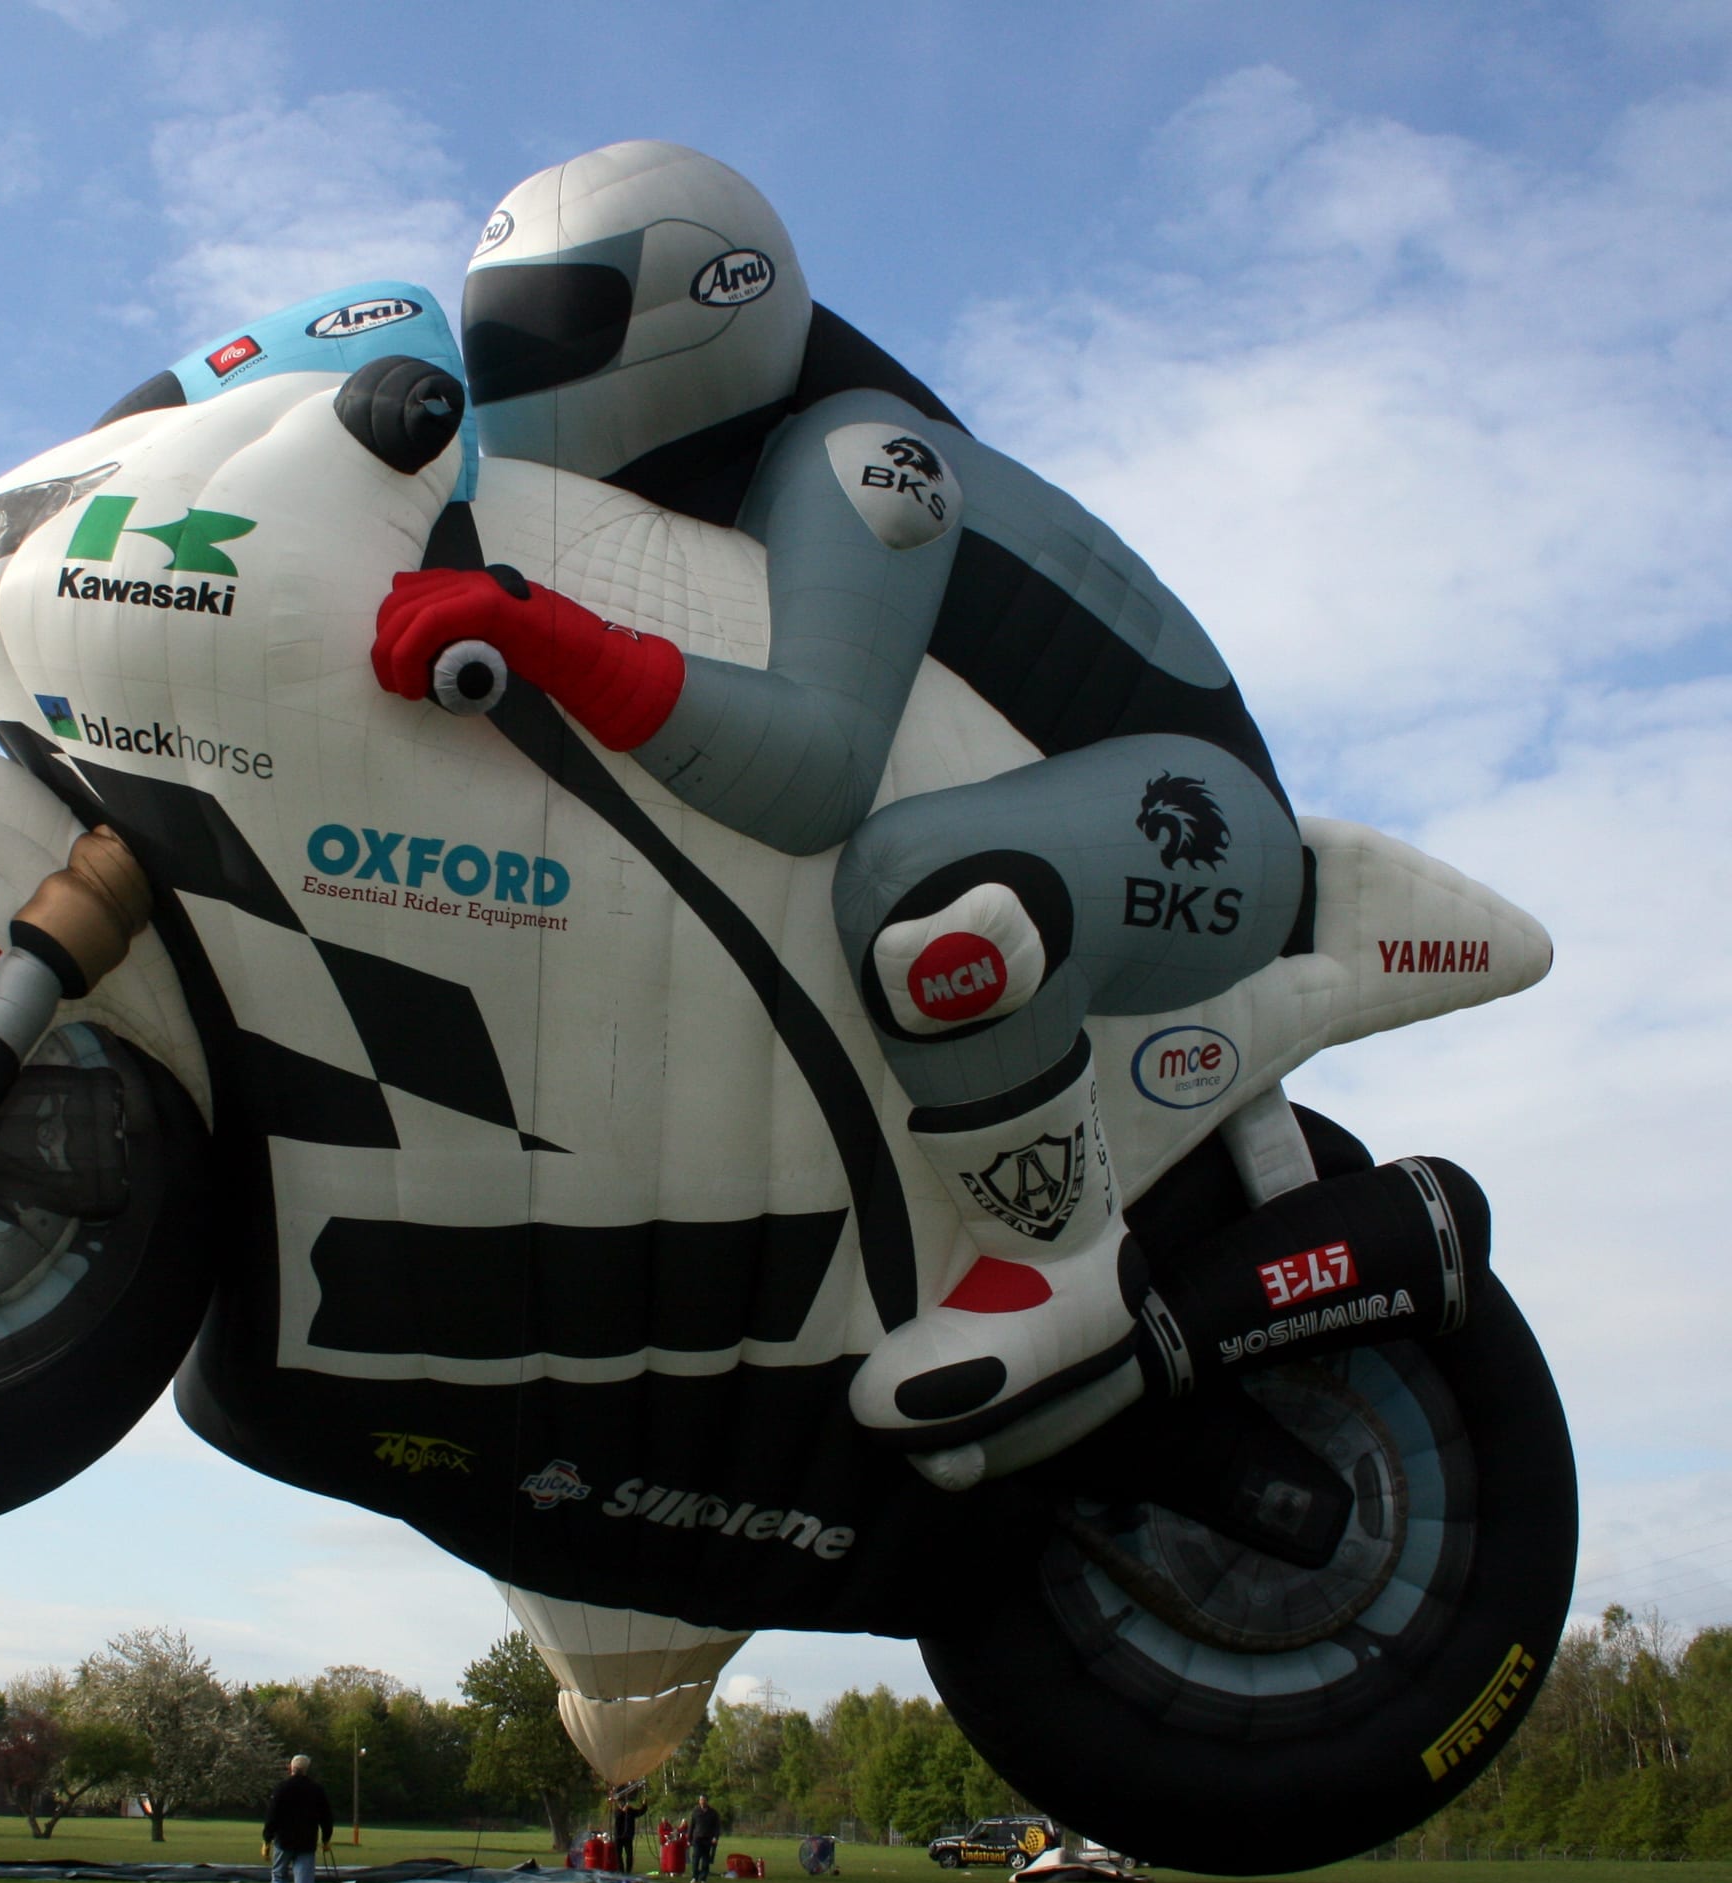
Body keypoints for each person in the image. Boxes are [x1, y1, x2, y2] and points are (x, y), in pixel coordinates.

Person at [373, 142, 1303, 1493]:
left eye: (551, 326)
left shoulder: (864, 453)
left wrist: (550, 636)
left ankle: (1064, 1257)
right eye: (493, 333)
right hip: (1055, 803)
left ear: (712, 298)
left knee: (928, 885)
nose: (512, 366)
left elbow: (817, 768)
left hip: (1201, 818)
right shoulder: (706, 488)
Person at [261, 1754, 334, 1883]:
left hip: (283, 1842)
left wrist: (267, 1839)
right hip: (307, 1843)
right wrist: (326, 1839)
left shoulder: (282, 1788)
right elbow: (326, 1817)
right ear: (307, 1769)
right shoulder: (316, 1790)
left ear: (290, 1768)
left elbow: (272, 1815)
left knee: (278, 1876)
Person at [608, 1777, 648, 1871]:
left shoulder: (630, 1811)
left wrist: (645, 1804)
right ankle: (621, 1870)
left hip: (627, 1835)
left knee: (629, 1855)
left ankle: (628, 1871)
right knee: (618, 1855)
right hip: (619, 1836)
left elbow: (640, 1812)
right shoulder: (617, 1812)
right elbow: (617, 1816)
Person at [687, 1794, 723, 1883]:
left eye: (703, 1800)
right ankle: (695, 1877)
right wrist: (689, 1839)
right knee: (695, 1859)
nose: (702, 1801)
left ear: (707, 1801)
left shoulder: (713, 1813)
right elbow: (691, 1826)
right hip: (697, 1838)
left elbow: (717, 1827)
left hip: (708, 1839)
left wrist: (715, 1837)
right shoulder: (695, 1812)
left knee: (706, 1860)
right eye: (700, 1800)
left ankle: (703, 1878)